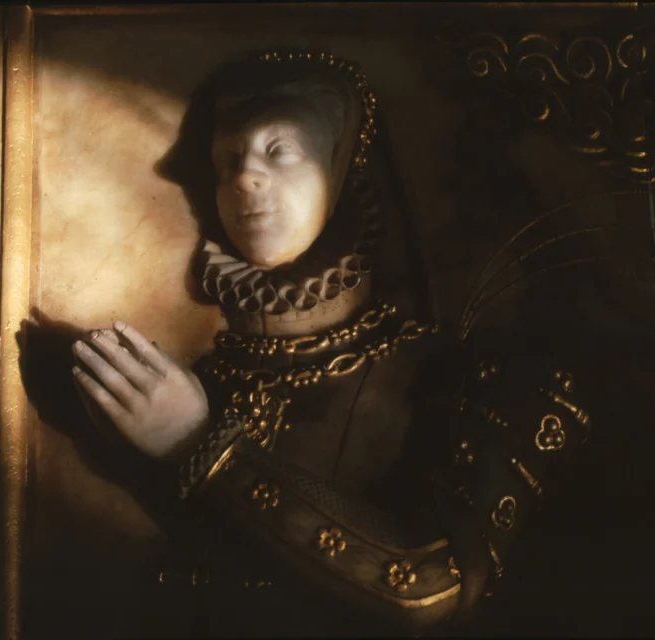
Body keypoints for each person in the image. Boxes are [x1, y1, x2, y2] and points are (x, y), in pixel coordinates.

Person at [70, 50, 590, 635]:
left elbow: (429, 586)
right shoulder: (190, 382)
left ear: (340, 170)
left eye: (278, 150)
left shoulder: (472, 378)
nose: (244, 177)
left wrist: (202, 445)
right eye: (225, 162)